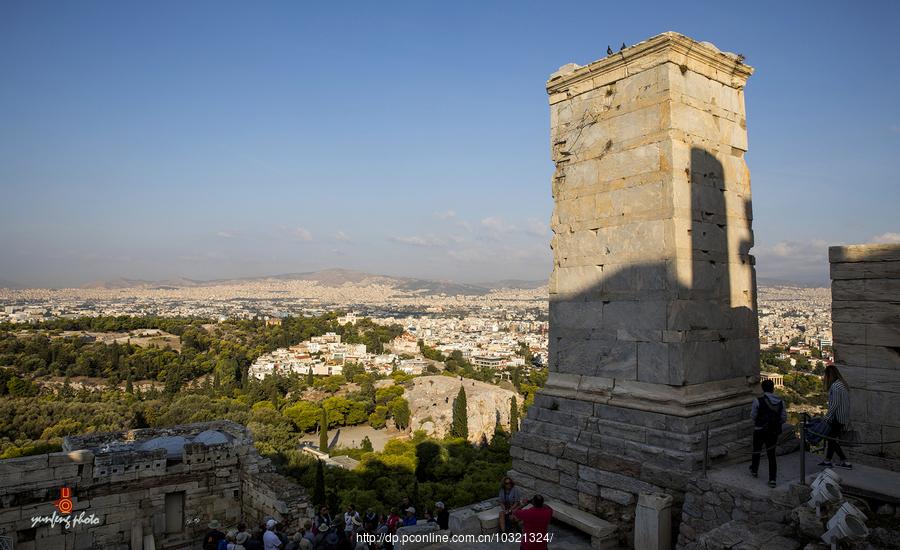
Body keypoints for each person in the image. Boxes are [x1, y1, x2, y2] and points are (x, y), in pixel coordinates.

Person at [749, 378, 786, 488]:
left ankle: (754, 470)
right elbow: (784, 417)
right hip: (773, 431)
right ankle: (772, 479)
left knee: (757, 450)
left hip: (760, 429)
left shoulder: (757, 400)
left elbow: (753, 416)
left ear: (762, 388)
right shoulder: (781, 402)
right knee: (771, 454)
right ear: (773, 388)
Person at [820, 365, 853, 469]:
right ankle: (827, 460)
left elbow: (834, 404)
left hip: (837, 418)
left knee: (831, 439)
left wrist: (827, 417)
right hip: (843, 416)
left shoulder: (835, 386)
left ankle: (845, 461)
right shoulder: (842, 384)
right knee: (831, 438)